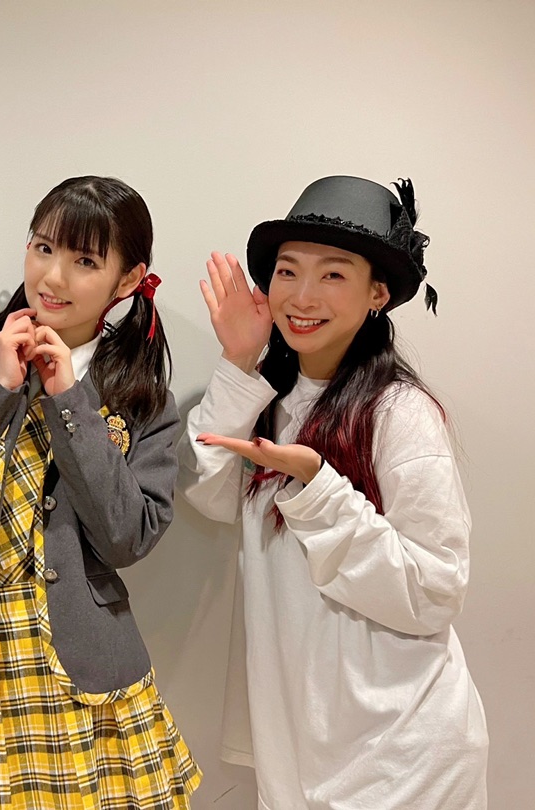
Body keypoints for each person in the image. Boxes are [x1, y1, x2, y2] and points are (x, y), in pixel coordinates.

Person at [0, 176, 201, 809]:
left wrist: (69, 399)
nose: (52, 276)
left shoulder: (143, 396)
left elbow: (127, 538)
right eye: (43, 247)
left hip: (82, 658)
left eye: (85, 261)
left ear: (129, 280)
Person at [178, 176, 488, 809]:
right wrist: (238, 361)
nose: (302, 296)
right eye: (288, 271)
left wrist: (319, 488)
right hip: (303, 748)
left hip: (406, 756)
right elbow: (205, 493)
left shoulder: (400, 412)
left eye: (334, 275)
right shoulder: (270, 402)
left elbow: (435, 592)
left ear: (378, 293)